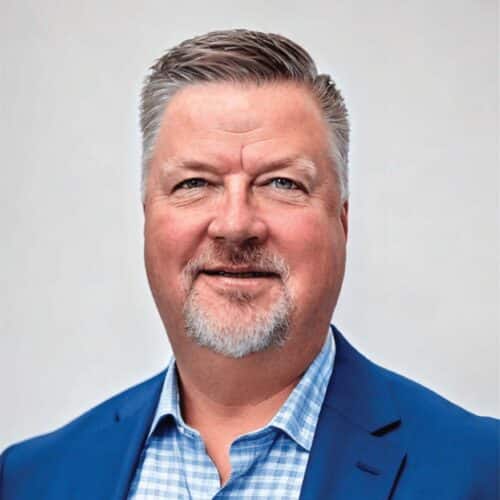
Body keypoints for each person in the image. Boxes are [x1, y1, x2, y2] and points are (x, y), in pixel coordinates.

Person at [0, 29, 497, 500]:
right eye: (194, 183)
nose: (235, 225)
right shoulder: (28, 480)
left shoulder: (481, 471)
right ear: (148, 216)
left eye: (282, 183)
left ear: (341, 222)